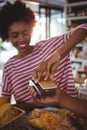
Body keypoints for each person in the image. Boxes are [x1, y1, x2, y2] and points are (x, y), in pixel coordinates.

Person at [0, 0, 87, 113]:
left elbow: (84, 28)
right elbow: (6, 106)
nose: (21, 39)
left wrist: (56, 56)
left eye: (25, 33)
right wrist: (35, 104)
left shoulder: (49, 46)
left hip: (69, 116)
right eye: (15, 35)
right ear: (7, 36)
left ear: (31, 29)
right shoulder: (9, 68)